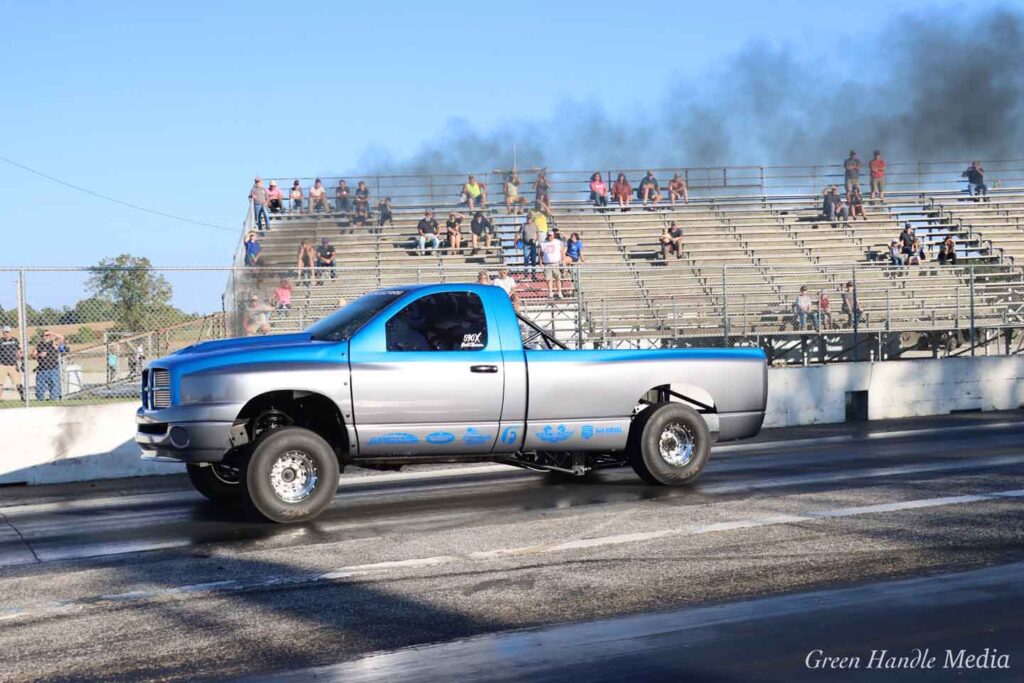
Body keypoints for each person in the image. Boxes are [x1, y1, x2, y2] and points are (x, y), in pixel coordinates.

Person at [32, 330, 65, 401]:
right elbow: (33, 355)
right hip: (42, 369)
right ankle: (40, 399)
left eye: (47, 335)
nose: (46, 337)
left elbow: (62, 338)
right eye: (44, 335)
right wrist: (39, 355)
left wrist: (52, 333)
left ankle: (53, 399)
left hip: (53, 368)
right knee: (40, 386)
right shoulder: (39, 345)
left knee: (54, 385)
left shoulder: (53, 343)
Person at [0, 325, 24, 401]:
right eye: (4, 332)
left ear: (10, 332)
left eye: (7, 332)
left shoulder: (15, 340)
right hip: (2, 364)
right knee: (0, 383)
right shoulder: (1, 341)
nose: (6, 333)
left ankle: (23, 397)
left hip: (13, 364)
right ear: (2, 332)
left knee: (18, 382)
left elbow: (19, 352)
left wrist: (22, 362)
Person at [540, 231, 566, 298]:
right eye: (549, 235)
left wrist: (563, 261)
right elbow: (540, 254)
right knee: (548, 279)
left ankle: (559, 292)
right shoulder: (543, 243)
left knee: (558, 278)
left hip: (556, 263)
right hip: (547, 264)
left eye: (551, 235)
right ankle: (550, 292)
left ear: (553, 235)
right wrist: (540, 262)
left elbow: (562, 251)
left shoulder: (558, 242)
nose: (550, 236)